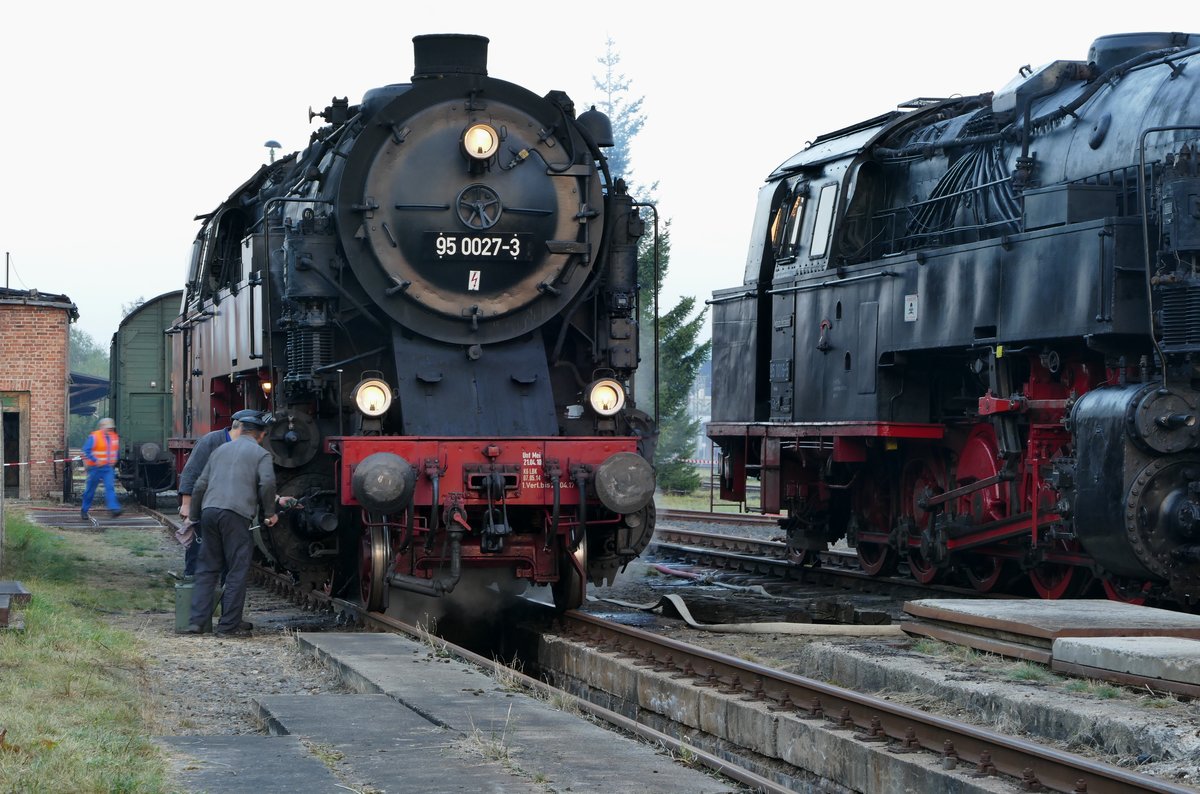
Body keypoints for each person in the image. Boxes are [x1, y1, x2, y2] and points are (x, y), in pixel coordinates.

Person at [184, 411, 278, 637]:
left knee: (207, 568)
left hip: (209, 512)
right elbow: (267, 484)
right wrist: (270, 513)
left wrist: (194, 516)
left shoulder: (220, 450)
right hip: (235, 514)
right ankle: (228, 626)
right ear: (260, 435)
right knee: (237, 569)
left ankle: (196, 623)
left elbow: (200, 485)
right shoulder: (261, 454)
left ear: (242, 430)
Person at [176, 412, 255, 577]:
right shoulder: (210, 441)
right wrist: (186, 504)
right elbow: (191, 472)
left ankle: (222, 592)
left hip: (231, 511)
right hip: (206, 508)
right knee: (199, 552)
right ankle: (191, 586)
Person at [81, 417, 122, 521]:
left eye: (111, 428)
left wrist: (115, 459)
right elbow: (86, 450)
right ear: (102, 427)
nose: (110, 430)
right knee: (90, 491)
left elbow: (116, 451)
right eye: (108, 428)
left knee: (110, 488)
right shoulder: (94, 436)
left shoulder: (114, 437)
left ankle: (114, 509)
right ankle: (84, 510)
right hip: (95, 468)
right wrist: (95, 460)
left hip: (108, 468)